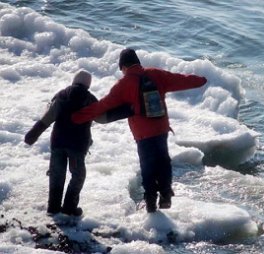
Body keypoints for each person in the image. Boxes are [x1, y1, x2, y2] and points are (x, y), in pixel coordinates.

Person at [72, 48, 207, 213]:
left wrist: (78, 117)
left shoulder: (123, 84)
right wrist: (201, 80)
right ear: (137, 62)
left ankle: (150, 203)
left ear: (123, 66)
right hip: (161, 128)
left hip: (143, 134)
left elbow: (103, 105)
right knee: (163, 160)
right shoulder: (156, 74)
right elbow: (181, 79)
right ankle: (165, 195)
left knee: (147, 166)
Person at [24, 70, 133, 216]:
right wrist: (128, 110)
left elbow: (46, 118)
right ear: (88, 84)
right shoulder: (89, 99)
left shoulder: (61, 96)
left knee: (56, 174)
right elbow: (102, 118)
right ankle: (69, 207)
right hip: (76, 146)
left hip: (58, 143)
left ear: (74, 80)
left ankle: (53, 208)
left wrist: (32, 135)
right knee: (78, 175)